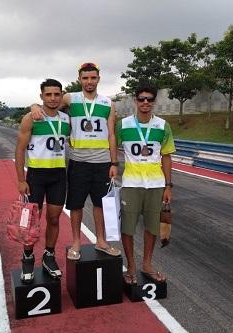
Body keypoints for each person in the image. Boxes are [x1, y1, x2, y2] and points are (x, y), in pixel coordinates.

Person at [31, 62, 121, 260]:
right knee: (76, 204)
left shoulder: (108, 103)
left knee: (100, 203)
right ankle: (76, 241)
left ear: (99, 78)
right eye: (85, 78)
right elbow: (49, 105)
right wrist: (34, 106)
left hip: (102, 162)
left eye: (93, 78)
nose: (89, 81)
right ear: (79, 79)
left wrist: (114, 163)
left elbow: (111, 134)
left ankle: (101, 240)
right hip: (78, 161)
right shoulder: (70, 98)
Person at [116, 82, 175, 284]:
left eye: (149, 99)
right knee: (128, 228)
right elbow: (111, 147)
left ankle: (147, 264)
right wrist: (112, 166)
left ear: (154, 102)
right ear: (135, 101)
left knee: (152, 227)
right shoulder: (122, 125)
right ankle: (131, 267)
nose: (145, 102)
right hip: (131, 184)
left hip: (156, 184)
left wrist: (168, 185)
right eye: (141, 99)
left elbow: (166, 156)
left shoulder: (162, 125)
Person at [15, 78, 70, 283]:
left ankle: (48, 256)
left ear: (61, 95)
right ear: (41, 96)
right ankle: (28, 258)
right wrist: (21, 180)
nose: (53, 98)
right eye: (48, 94)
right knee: (31, 221)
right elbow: (19, 150)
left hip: (58, 176)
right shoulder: (31, 118)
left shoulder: (66, 119)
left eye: (57, 94)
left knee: (54, 219)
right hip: (36, 176)